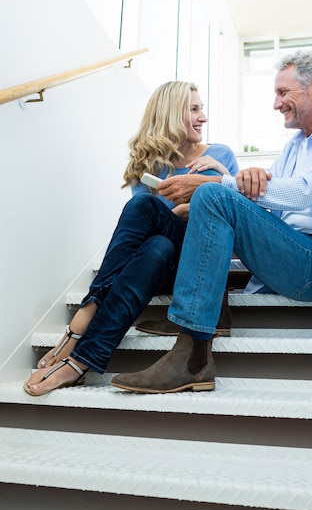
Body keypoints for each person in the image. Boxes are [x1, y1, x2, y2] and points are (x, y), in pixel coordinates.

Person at [110, 49, 312, 395]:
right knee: (216, 199)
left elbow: (304, 193)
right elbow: (267, 212)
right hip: (290, 256)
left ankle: (191, 356)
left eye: (283, 93)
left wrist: (218, 184)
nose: (276, 103)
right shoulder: (295, 148)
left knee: (212, 195)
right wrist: (240, 182)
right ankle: (202, 333)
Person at [24, 81, 239, 396]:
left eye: (201, 108)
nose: (202, 117)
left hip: (197, 265)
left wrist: (216, 180)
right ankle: (83, 357)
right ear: (170, 114)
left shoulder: (221, 156)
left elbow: (237, 216)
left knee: (146, 208)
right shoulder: (149, 164)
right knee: (155, 244)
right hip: (159, 266)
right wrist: (177, 209)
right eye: (194, 109)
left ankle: (84, 327)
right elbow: (146, 231)